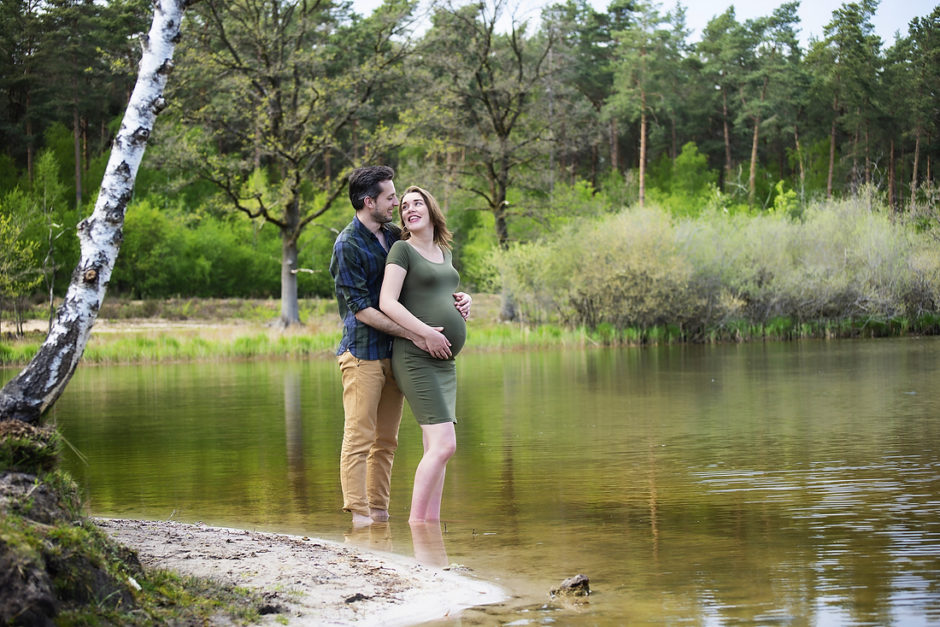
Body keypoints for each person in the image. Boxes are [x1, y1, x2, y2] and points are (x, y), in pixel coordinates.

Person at [330, 166, 470, 527]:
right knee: (359, 437)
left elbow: (422, 279)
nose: (396, 203)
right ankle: (360, 517)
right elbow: (362, 309)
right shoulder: (348, 244)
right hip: (362, 353)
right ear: (369, 201)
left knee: (387, 442)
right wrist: (418, 333)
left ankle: (380, 515)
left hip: (392, 353)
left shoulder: (392, 236)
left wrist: (459, 299)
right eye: (391, 197)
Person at [379, 186, 467, 523]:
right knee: (445, 445)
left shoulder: (443, 252)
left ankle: (430, 525)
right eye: (404, 205)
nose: (409, 209)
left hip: (445, 362)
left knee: (436, 449)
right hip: (416, 357)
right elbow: (387, 302)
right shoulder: (402, 250)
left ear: (431, 210)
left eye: (417, 203)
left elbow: (443, 289)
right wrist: (424, 332)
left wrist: (464, 299)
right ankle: (416, 522)